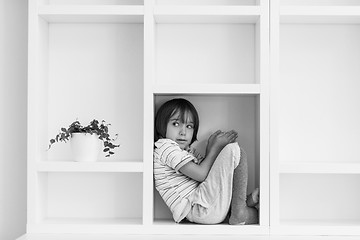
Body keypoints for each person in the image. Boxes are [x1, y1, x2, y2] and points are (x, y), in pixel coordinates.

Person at [154, 98, 259, 225]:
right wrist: (214, 148)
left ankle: (241, 207)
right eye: (176, 124)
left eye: (189, 126)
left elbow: (209, 174)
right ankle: (240, 208)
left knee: (260, 214)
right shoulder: (166, 147)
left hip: (203, 208)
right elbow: (201, 175)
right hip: (199, 208)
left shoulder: (185, 151)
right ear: (161, 124)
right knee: (235, 151)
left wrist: (210, 148)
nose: (183, 132)